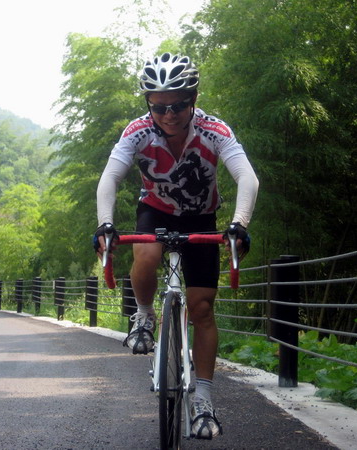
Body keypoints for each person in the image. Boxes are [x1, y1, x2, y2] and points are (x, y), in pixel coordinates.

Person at [94, 52, 259, 439]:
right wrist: (105, 224)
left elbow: (246, 178)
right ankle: (145, 315)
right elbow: (110, 178)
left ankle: (203, 399)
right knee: (147, 255)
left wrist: (238, 224)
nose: (169, 114)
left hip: (202, 217)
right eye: (159, 106)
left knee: (201, 310)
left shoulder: (214, 129)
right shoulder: (137, 130)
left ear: (193, 99)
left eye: (179, 104)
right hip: (155, 211)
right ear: (149, 104)